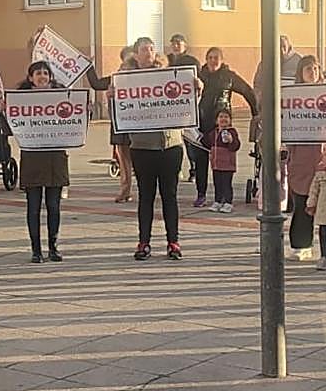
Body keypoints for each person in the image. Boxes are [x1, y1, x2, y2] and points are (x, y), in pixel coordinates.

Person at [121, 37, 185, 260]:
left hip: (171, 145)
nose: (148, 53)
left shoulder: (169, 75)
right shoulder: (126, 81)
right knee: (146, 196)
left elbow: (185, 108)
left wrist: (196, 92)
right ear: (136, 55)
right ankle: (144, 242)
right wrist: (112, 99)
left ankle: (173, 242)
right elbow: (120, 115)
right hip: (142, 147)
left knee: (170, 196)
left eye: (151, 48)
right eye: (143, 49)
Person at [190, 47, 258, 208]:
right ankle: (201, 194)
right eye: (210, 57)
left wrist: (255, 113)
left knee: (223, 163)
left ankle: (224, 197)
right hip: (201, 124)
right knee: (200, 161)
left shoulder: (229, 76)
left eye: (216, 58)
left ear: (221, 60)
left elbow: (248, 91)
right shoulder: (198, 76)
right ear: (206, 59)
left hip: (222, 126)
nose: (213, 61)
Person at [16, 62, 68, 263]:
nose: (42, 76)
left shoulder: (62, 97)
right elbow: (9, 128)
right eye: (38, 73)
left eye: (46, 73)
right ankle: (36, 249)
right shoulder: (20, 99)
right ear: (30, 78)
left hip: (55, 157)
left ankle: (53, 247)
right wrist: (5, 110)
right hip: (32, 158)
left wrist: (84, 110)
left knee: (54, 206)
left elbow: (75, 123)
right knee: (33, 207)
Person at [286, 56, 326, 261]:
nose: (312, 72)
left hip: (323, 155)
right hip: (301, 156)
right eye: (308, 69)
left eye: (315, 68)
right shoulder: (293, 96)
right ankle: (301, 244)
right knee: (302, 201)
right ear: (300, 73)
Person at [87, 46, 135, 203]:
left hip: (137, 123)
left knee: (139, 159)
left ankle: (146, 188)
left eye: (130, 62)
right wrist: (89, 67)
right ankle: (125, 189)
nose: (124, 66)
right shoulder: (115, 79)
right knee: (123, 159)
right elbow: (96, 84)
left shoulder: (142, 79)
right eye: (123, 63)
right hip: (119, 123)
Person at [203, 108, 241, 213]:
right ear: (216, 120)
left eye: (226, 117)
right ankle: (218, 201)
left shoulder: (232, 132)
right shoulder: (213, 132)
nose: (223, 119)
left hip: (227, 164)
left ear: (230, 120)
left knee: (226, 184)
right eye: (221, 117)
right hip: (216, 164)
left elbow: (236, 146)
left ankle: (228, 202)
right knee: (217, 183)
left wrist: (231, 140)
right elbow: (206, 142)